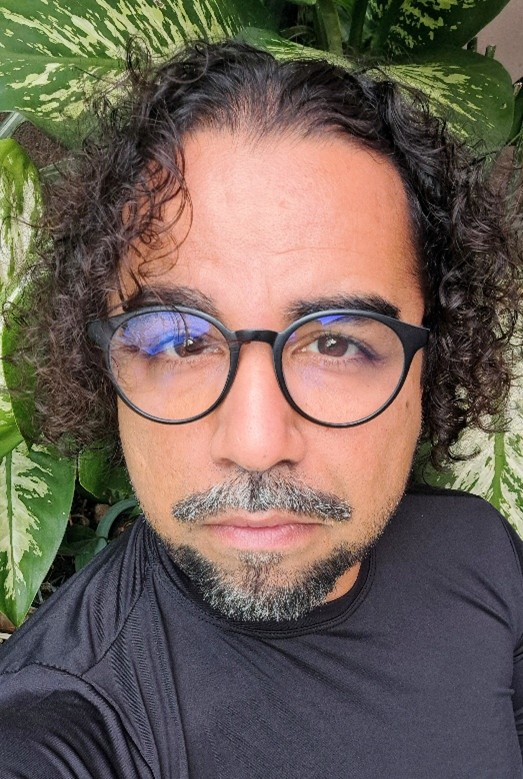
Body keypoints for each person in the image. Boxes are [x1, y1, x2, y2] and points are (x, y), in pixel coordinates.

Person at [0, 39, 522, 778]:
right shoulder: (62, 726)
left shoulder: (480, 551)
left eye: (336, 342)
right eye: (180, 341)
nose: (254, 441)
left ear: (430, 357)